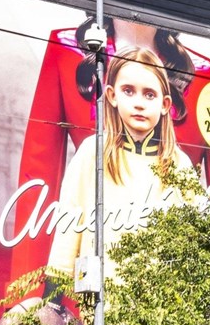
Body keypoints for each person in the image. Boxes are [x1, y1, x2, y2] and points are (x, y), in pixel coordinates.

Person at [47, 46, 200, 278]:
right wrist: (54, 292)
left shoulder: (179, 164)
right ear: (112, 95)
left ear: (165, 104)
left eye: (149, 94)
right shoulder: (93, 152)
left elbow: (195, 240)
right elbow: (68, 228)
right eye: (128, 91)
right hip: (100, 296)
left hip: (163, 296)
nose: (139, 103)